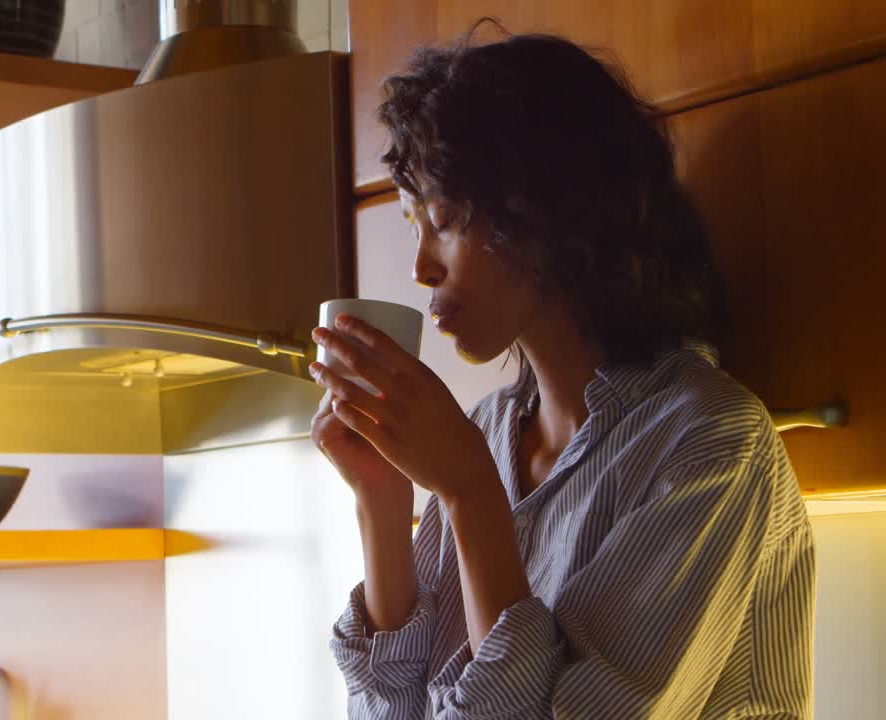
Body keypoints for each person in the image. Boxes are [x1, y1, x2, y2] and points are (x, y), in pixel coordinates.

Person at [308, 23, 815, 720]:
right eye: (411, 222)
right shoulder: (485, 433)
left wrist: (469, 493)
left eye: (445, 217)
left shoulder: (712, 446)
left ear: (546, 213)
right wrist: (383, 502)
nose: (420, 265)